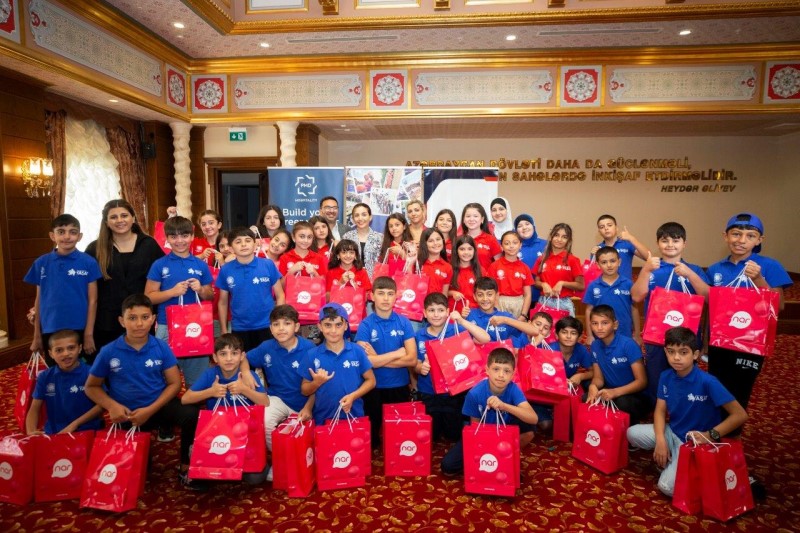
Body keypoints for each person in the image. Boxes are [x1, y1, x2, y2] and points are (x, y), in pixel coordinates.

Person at [85, 294, 201, 490]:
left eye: (145, 317)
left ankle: (186, 466)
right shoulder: (109, 351)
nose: (139, 323)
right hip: (128, 414)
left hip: (157, 406)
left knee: (192, 414)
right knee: (140, 472)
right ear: (122, 321)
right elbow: (91, 387)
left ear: (153, 319)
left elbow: (174, 384)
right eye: (132, 318)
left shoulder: (161, 346)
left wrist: (150, 410)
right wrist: (112, 406)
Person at [627, 327, 747, 497]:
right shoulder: (666, 376)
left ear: (695, 354)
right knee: (631, 433)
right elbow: (660, 411)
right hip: (673, 432)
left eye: (683, 352)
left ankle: (688, 467)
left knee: (666, 487)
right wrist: (661, 440)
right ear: (665, 352)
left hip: (695, 442)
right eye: (671, 352)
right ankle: (672, 457)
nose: (676, 357)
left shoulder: (708, 381)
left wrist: (710, 435)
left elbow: (740, 415)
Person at [706, 213, 791, 426]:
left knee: (740, 388)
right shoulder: (716, 269)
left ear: (759, 240)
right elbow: (712, 308)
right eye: (736, 234)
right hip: (720, 341)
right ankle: (715, 429)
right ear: (725, 236)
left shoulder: (770, 266)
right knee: (716, 385)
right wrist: (706, 340)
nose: (741, 240)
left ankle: (733, 433)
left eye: (750, 236)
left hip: (751, 343)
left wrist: (759, 279)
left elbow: (779, 306)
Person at [631, 222, 710, 404]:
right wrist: (646, 270)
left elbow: (709, 298)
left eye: (676, 240)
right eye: (665, 240)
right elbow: (636, 296)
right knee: (656, 375)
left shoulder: (695, 270)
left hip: (688, 336)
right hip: (656, 336)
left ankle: (684, 407)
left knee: (686, 375)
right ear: (658, 243)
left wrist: (690, 275)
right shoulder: (652, 269)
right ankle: (655, 409)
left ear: (684, 243)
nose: (670, 245)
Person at [181, 333, 269, 486]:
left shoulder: (248, 376)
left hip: (243, 433)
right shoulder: (210, 374)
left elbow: (265, 402)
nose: (229, 359)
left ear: (242, 356)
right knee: (202, 476)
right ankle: (195, 452)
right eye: (223, 354)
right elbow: (185, 399)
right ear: (215, 358)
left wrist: (244, 389)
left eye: (234, 353)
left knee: (255, 478)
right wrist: (211, 392)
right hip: (217, 432)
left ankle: (239, 465)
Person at [240, 305, 315, 481]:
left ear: (296, 327)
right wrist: (245, 372)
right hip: (277, 398)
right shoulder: (266, 347)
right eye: (276, 324)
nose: (281, 328)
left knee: (312, 444)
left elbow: (317, 385)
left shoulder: (310, 349)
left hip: (305, 402)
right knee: (264, 420)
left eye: (287, 323)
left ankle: (299, 457)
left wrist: (308, 407)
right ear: (271, 328)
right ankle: (281, 459)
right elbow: (243, 358)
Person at [440, 347, 537, 475]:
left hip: (504, 430)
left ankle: (507, 456)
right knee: (447, 466)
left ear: (513, 374)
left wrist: (504, 406)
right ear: (487, 370)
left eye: (507, 371)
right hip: (482, 431)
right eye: (496, 369)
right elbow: (475, 428)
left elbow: (534, 418)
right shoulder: (475, 393)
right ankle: (492, 457)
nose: (501, 375)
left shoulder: (513, 389)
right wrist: (487, 449)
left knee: (529, 429)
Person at [86, 199, 164, 353]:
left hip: (141, 321)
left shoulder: (149, 245)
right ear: (106, 222)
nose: (119, 220)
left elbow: (166, 276)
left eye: (124, 215)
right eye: (113, 217)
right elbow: (83, 286)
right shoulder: (95, 249)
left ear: (133, 218)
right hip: (106, 323)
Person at [144, 216, 214, 388]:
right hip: (166, 326)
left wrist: (200, 289)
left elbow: (210, 295)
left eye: (184, 235)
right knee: (162, 379)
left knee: (197, 382)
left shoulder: (200, 264)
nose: (180, 241)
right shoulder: (159, 265)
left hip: (196, 326)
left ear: (192, 236)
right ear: (167, 239)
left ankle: (194, 404)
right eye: (174, 236)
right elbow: (149, 297)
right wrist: (172, 292)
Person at [414, 292, 491, 441]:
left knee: (453, 435)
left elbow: (485, 338)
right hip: (429, 391)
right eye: (431, 310)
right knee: (432, 436)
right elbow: (415, 363)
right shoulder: (419, 335)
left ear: (448, 312)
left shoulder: (456, 330)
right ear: (424, 313)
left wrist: (461, 320)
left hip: (454, 392)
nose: (436, 314)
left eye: (441, 310)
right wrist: (420, 367)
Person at [25, 214, 102, 362]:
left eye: (73, 232)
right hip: (50, 327)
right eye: (61, 232)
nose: (67, 236)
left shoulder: (89, 262)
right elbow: (39, 299)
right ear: (52, 236)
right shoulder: (41, 263)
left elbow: (93, 300)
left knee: (81, 370)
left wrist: (88, 334)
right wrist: (37, 335)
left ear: (79, 236)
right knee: (55, 370)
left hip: (80, 327)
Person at [354, 276, 418, 449]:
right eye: (381, 293)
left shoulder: (404, 322)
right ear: (372, 296)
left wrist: (377, 359)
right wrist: (397, 353)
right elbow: (366, 362)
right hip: (373, 386)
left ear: (396, 296)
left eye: (390, 294)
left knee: (398, 438)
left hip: (399, 385)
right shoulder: (365, 325)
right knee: (372, 440)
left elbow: (412, 359)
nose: (385, 298)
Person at [298, 303, 376, 426]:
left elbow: (371, 381)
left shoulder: (357, 351)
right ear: (320, 326)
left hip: (354, 417)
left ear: (346, 326)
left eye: (338, 325)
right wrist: (316, 383)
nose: (333, 331)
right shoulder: (311, 355)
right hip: (323, 420)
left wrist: (353, 396)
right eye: (328, 325)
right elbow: (304, 391)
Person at [216, 227, 285, 351]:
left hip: (267, 325)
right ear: (231, 248)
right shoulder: (226, 270)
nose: (243, 244)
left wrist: (277, 321)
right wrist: (224, 330)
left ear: (255, 244)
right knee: (244, 361)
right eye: (238, 242)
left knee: (268, 361)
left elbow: (280, 296)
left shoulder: (268, 265)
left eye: (247, 240)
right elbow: (222, 302)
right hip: (240, 327)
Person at [25, 329, 103, 435]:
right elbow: (34, 407)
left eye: (71, 348)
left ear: (79, 348)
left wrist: (75, 424)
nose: (66, 354)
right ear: (50, 354)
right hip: (55, 434)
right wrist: (31, 431)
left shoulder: (92, 373)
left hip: (88, 432)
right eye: (59, 350)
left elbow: (102, 405)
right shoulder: (45, 376)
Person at [586, 305, 649, 425]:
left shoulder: (628, 344)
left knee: (622, 403)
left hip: (634, 395)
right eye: (595, 323)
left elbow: (642, 382)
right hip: (611, 391)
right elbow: (599, 378)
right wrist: (593, 386)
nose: (599, 328)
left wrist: (615, 392)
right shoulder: (595, 346)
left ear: (615, 325)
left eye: (605, 323)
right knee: (587, 398)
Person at [582, 246, 637, 344]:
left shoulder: (628, 284)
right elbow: (588, 310)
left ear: (619, 262)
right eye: (604, 262)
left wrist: (637, 334)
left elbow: (634, 309)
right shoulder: (593, 286)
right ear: (598, 265)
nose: (609, 265)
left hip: (624, 333)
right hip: (600, 334)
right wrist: (590, 335)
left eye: (612, 261)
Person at [532, 223, 584, 317]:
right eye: (556, 235)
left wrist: (562, 283)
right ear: (551, 237)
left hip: (564, 303)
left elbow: (581, 285)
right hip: (544, 302)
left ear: (568, 240)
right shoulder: (542, 259)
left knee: (565, 327)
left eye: (564, 237)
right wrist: (543, 284)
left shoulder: (573, 260)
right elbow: (536, 282)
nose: (559, 239)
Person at [487, 231, 533, 320]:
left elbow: (528, 294)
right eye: (507, 243)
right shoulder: (494, 266)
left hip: (519, 305)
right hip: (499, 303)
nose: (511, 246)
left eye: (515, 243)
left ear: (520, 245)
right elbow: (490, 290)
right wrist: (497, 310)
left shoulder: (525, 268)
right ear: (501, 247)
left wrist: (523, 315)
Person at [591, 214, 650, 280]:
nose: (606, 228)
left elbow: (649, 257)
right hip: (605, 286)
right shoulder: (597, 249)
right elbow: (593, 274)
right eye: (602, 227)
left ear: (616, 228)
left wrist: (632, 239)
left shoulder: (626, 244)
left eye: (609, 225)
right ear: (599, 232)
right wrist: (593, 256)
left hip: (626, 285)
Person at [466, 277, 524, 344]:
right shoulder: (470, 315)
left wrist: (506, 320)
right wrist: (462, 318)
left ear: (497, 296)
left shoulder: (505, 317)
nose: (485, 299)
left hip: (500, 350)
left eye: (489, 294)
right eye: (480, 295)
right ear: (474, 297)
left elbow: (530, 332)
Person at [549, 316, 594, 389]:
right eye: (564, 332)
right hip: (551, 384)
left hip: (570, 384)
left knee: (590, 383)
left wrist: (580, 376)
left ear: (579, 337)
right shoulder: (549, 349)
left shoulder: (581, 349)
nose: (568, 336)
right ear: (556, 335)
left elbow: (593, 371)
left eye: (573, 333)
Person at [342, 202, 383, 279]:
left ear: (370, 217)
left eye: (364, 215)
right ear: (353, 219)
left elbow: (383, 262)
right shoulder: (347, 237)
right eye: (357, 215)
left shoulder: (380, 238)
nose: (360, 218)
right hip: (352, 280)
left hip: (374, 281)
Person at [514, 214, 548, 303]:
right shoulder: (514, 247)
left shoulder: (546, 245)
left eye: (527, 224)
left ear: (533, 226)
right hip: (521, 298)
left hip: (544, 297)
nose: (524, 228)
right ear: (516, 231)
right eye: (520, 226)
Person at [460, 203, 501, 272]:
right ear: (463, 220)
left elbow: (499, 264)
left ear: (482, 219)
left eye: (475, 216)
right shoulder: (458, 240)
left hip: (485, 278)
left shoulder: (491, 239)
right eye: (468, 216)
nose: (471, 219)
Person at [448, 235, 481, 315]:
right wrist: (452, 293)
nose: (466, 252)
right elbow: (443, 292)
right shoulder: (449, 269)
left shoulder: (481, 270)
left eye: (470, 249)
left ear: (474, 250)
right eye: (462, 249)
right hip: (454, 312)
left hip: (475, 313)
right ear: (456, 251)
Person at [419, 228, 452, 297]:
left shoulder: (448, 267)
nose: (435, 243)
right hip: (418, 303)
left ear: (443, 241)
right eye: (430, 241)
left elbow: (444, 294)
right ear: (424, 244)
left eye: (438, 239)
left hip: (438, 303)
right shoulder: (417, 263)